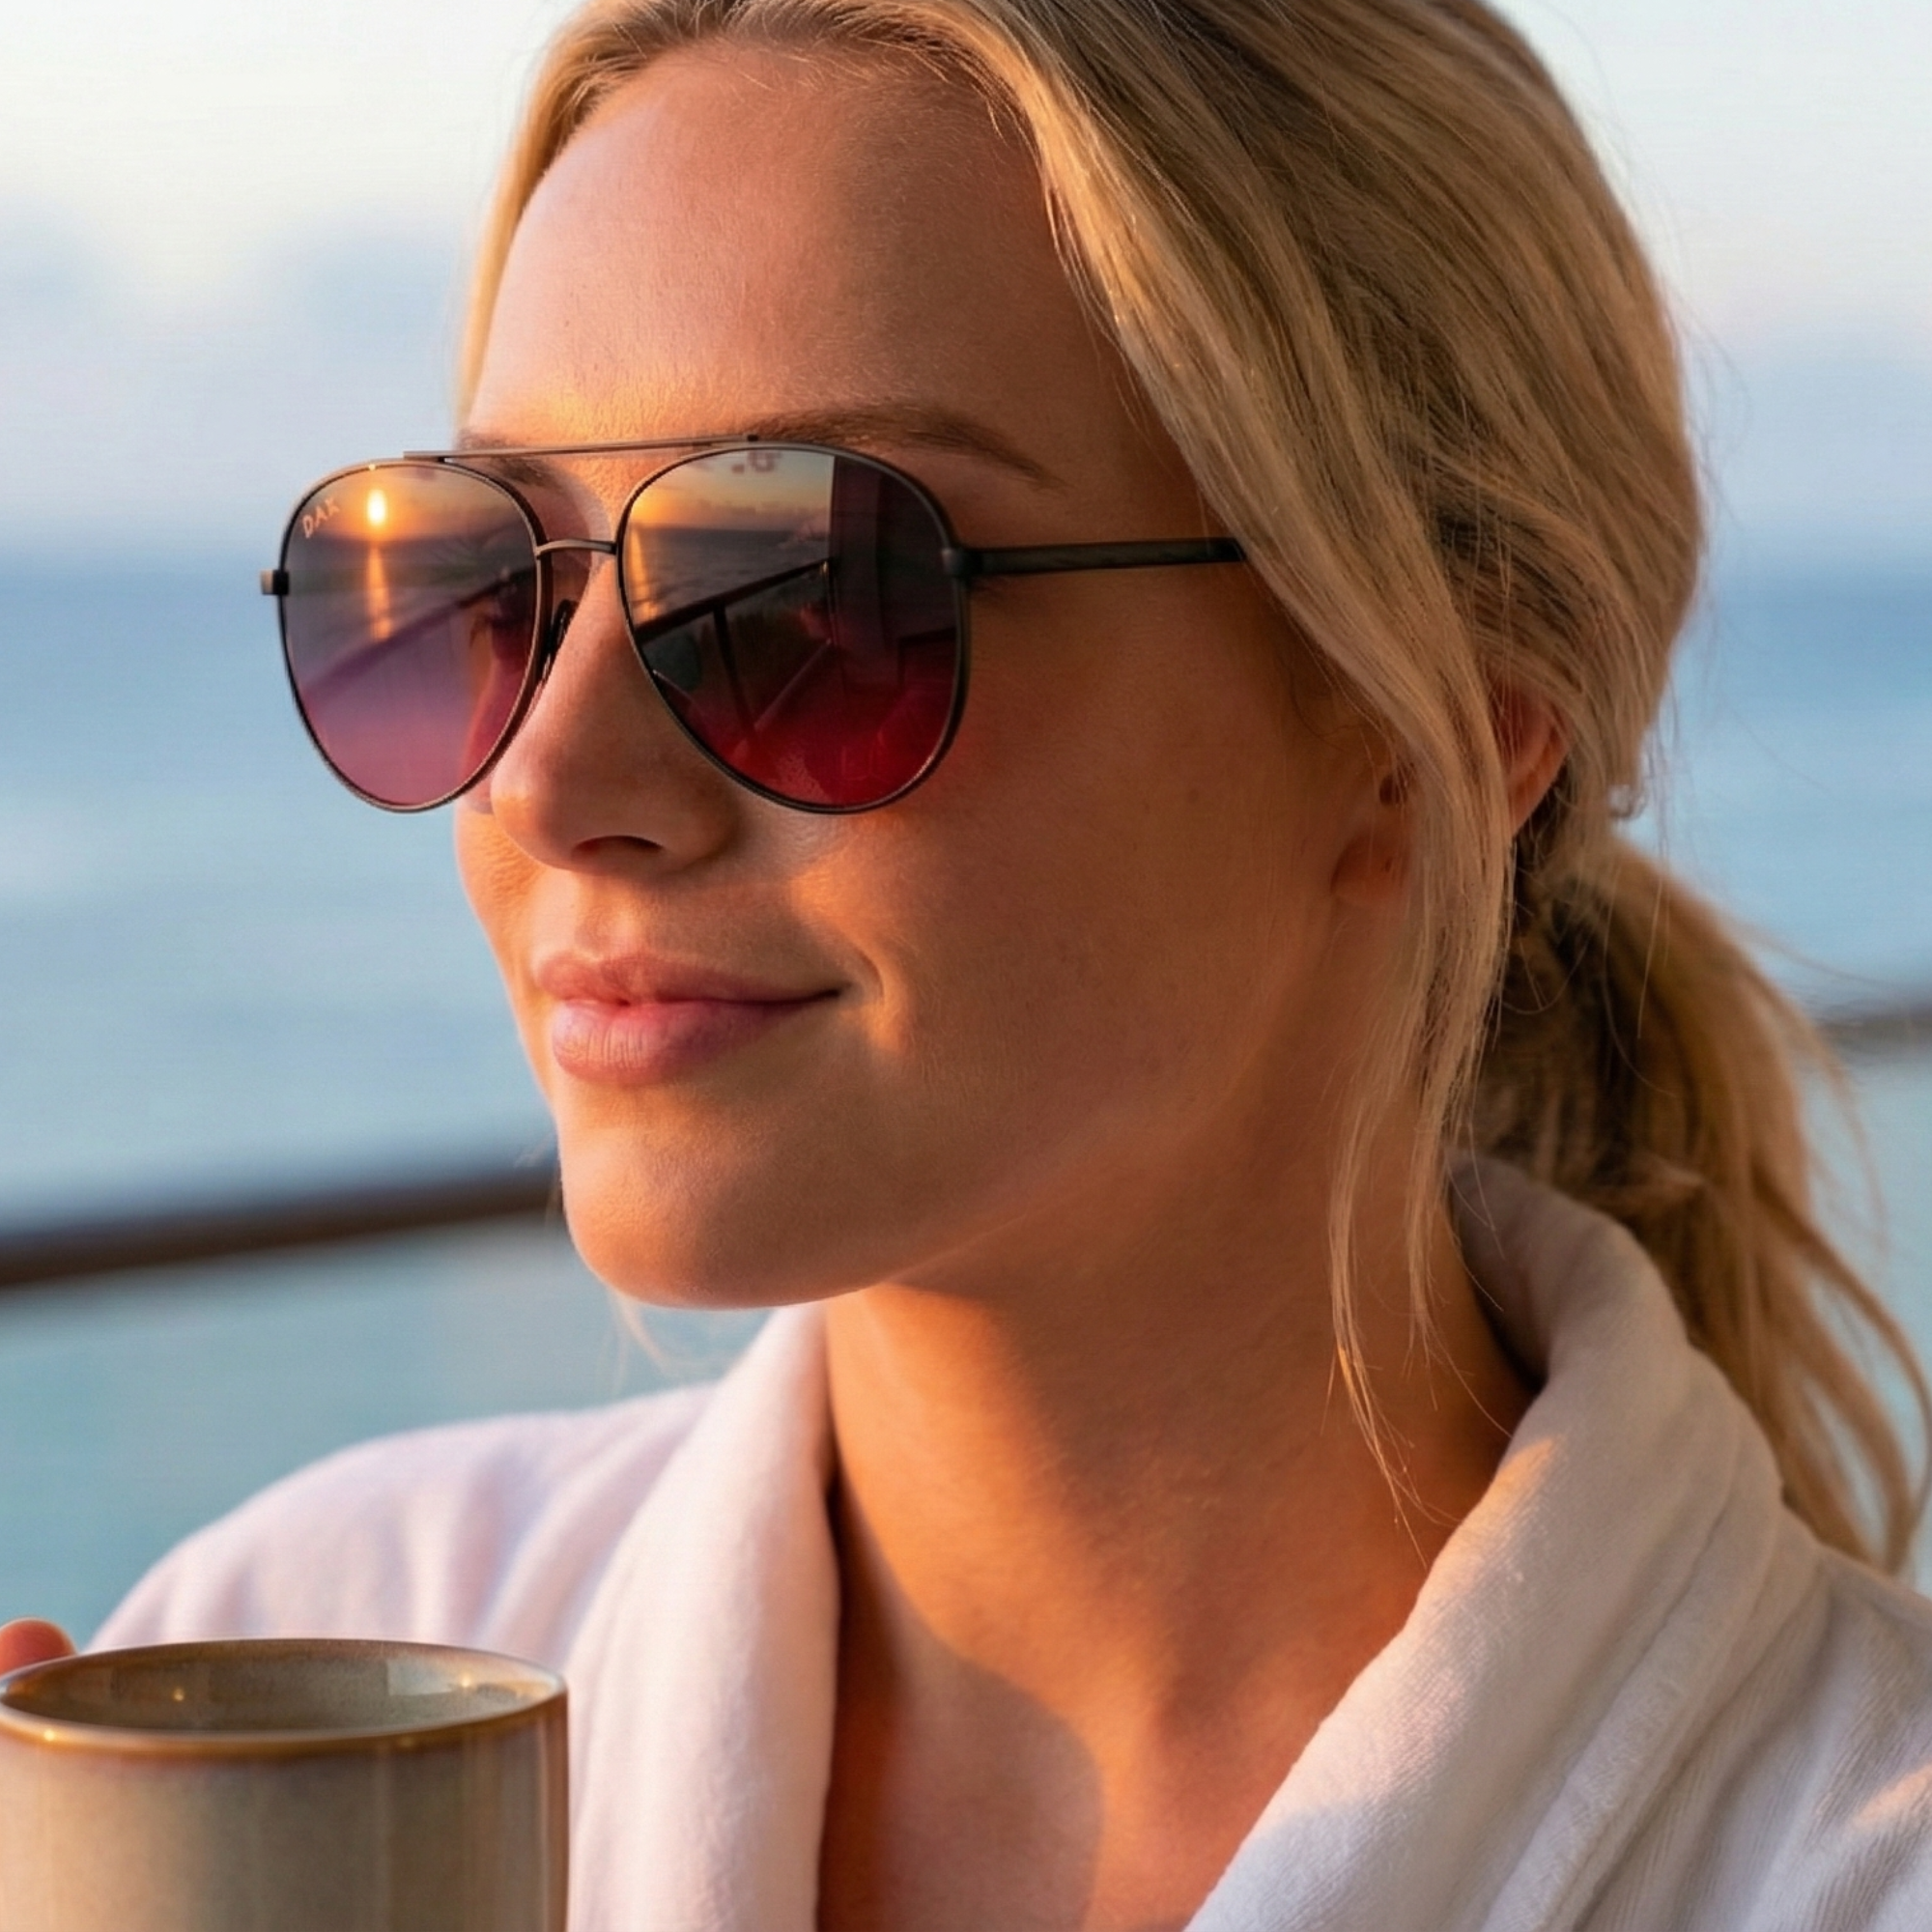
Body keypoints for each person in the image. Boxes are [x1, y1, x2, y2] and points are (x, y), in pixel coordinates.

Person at [7, 0, 1932, 1923]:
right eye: (476, 576)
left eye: (810, 587)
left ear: (1432, 711)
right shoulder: (306, 1654)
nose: (546, 778)